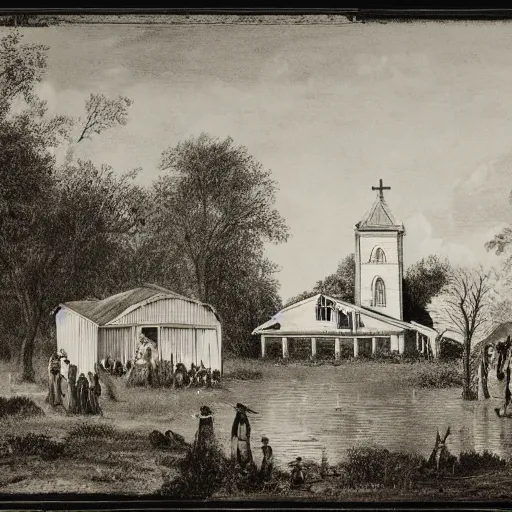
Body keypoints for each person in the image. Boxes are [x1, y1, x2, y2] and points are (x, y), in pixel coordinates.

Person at [231, 402, 258, 472]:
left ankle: (246, 468)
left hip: (243, 440)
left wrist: (247, 437)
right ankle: (243, 468)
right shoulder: (239, 416)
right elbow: (234, 428)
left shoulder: (242, 417)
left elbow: (248, 428)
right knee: (240, 454)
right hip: (239, 440)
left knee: (245, 454)